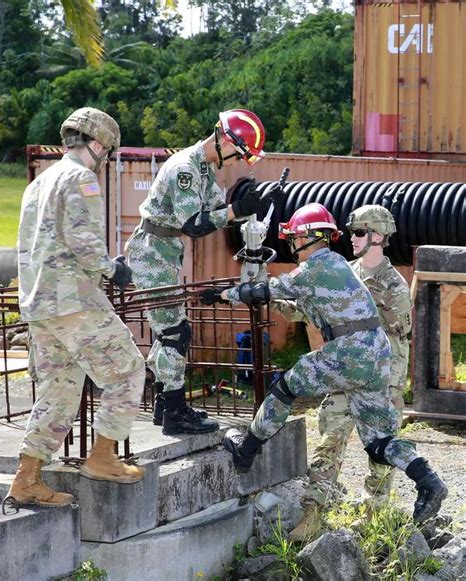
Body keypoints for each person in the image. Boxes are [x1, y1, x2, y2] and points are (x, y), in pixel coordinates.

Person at [202, 203, 447, 532]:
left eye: (293, 238)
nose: (290, 246)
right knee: (378, 443)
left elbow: (267, 288)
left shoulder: (318, 266)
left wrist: (222, 294)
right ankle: (428, 480)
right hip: (375, 358)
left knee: (285, 388)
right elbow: (295, 304)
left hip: (349, 352)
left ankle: (247, 448)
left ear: (306, 238)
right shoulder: (340, 268)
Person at [6, 107, 146, 508]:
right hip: (73, 300)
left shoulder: (40, 181)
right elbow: (83, 239)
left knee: (60, 391)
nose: (106, 160)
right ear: (99, 144)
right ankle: (103, 457)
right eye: (109, 152)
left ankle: (27, 479)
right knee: (128, 370)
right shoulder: (81, 178)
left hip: (40, 305)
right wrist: (112, 269)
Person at [126, 109, 271, 435]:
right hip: (152, 253)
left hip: (164, 252)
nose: (237, 162)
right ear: (223, 138)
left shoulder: (206, 169)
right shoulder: (185, 170)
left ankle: (165, 406)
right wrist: (237, 210)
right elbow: (194, 225)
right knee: (176, 333)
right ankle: (175, 412)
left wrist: (251, 203)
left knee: (170, 332)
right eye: (238, 154)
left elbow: (217, 214)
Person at [289, 205, 414, 540]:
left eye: (360, 232)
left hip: (380, 379)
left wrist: (390, 388)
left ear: (378, 236)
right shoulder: (343, 272)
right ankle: (313, 511)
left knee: (380, 449)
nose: (352, 239)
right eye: (352, 232)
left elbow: (399, 339)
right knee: (329, 438)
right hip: (343, 371)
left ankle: (373, 516)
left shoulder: (395, 286)